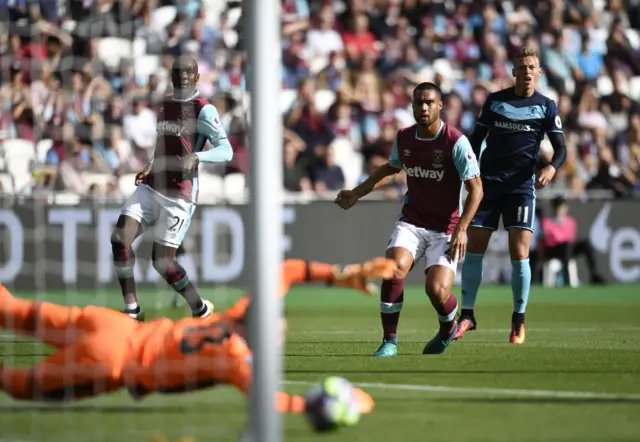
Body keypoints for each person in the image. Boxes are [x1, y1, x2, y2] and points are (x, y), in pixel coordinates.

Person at [0, 257, 395, 410]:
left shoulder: (235, 316)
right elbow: (273, 404)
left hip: (112, 324)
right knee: (15, 384)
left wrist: (343, 275)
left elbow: (286, 270)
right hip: (112, 364)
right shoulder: (236, 359)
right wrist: (341, 404)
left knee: (14, 311)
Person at [335, 82, 483, 357]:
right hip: (412, 222)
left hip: (447, 228)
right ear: (412, 106)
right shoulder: (404, 138)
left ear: (440, 105)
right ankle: (389, 340)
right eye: (418, 103)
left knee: (436, 291)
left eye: (429, 102)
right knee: (392, 267)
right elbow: (389, 169)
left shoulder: (455, 141)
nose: (424, 107)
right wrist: (356, 193)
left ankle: (447, 328)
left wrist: (462, 228)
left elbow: (477, 189)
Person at [455, 46, 568, 344]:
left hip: (520, 188)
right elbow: (474, 142)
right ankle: (467, 314)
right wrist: (470, 175)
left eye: (532, 66)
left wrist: (551, 169)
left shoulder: (546, 106)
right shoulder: (495, 102)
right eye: (522, 66)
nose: (527, 71)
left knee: (520, 253)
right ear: (514, 71)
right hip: (489, 185)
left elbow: (561, 150)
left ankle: (518, 321)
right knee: (474, 249)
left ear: (539, 72)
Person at [111, 55, 233, 321]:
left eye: (189, 73)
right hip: (152, 186)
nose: (183, 78)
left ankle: (199, 308)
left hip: (180, 194)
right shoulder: (165, 103)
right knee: (120, 240)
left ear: (198, 77)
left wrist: (199, 156)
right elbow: (164, 143)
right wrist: (149, 164)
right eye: (178, 73)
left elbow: (227, 151)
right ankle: (132, 310)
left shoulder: (204, 109)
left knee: (162, 262)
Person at [541, 196, 605, 285]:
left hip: (567, 249)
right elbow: (551, 240)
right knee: (566, 246)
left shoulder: (570, 222)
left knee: (586, 244)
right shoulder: (547, 222)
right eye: (558, 207)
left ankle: (594, 275)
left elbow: (570, 237)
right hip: (553, 250)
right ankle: (567, 279)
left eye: (562, 207)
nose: (560, 210)